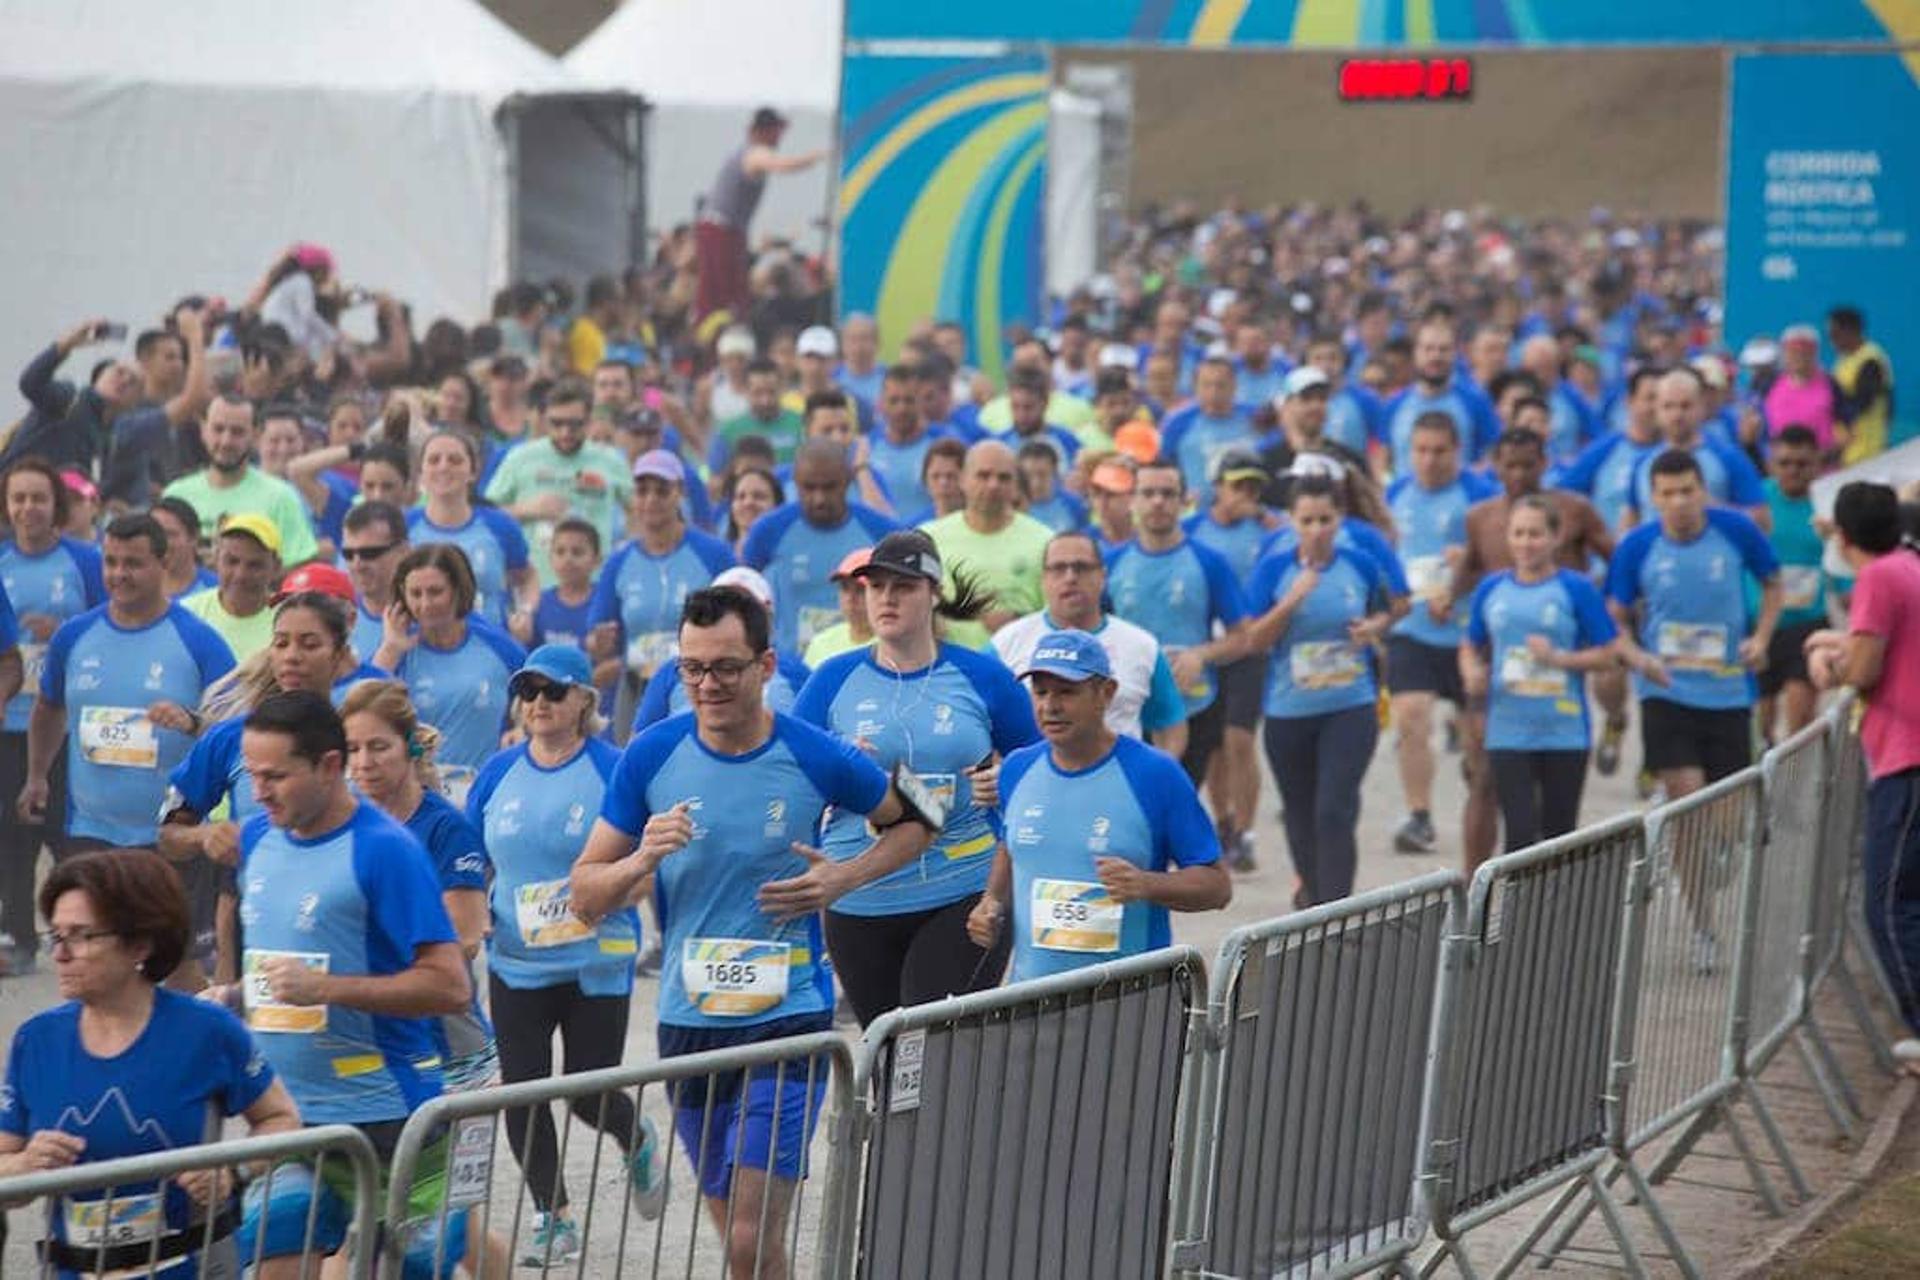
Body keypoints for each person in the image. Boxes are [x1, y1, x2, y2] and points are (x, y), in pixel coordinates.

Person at [570, 586, 942, 1279]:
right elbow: (584, 895)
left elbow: (921, 819)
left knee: (746, 1237)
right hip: (689, 1027)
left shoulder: (814, 753)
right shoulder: (650, 756)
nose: (707, 685)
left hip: (787, 1024)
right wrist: (641, 859)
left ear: (767, 664)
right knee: (752, 1252)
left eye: (726, 668)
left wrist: (846, 877)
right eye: (692, 668)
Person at [217, 691, 475, 1278]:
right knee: (270, 1264)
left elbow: (449, 985)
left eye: (276, 776)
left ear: (330, 766)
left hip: (389, 1116)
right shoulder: (258, 838)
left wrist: (328, 989)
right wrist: (232, 998)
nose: (260, 791)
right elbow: (281, 970)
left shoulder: (385, 850)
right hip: (288, 1114)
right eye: (253, 775)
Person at [0, 850, 300, 1278]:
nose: (60, 955)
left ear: (140, 944)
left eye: (81, 936)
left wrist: (233, 1171)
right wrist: (25, 1166)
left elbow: (281, 1119)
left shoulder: (206, 1029)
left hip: (190, 1266)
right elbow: (4, 1163)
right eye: (56, 936)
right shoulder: (37, 1040)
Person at [794, 531, 1039, 1026]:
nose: (886, 598)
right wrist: (836, 767)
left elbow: (1042, 767)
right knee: (886, 1057)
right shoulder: (831, 678)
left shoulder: (982, 676)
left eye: (902, 586)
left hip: (962, 893)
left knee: (930, 1047)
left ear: (933, 592)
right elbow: (790, 774)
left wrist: (1003, 776)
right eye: (875, 585)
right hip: (859, 897)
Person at [467, 647, 664, 1262]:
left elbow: (647, 864)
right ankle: (554, 1216)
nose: (540, 703)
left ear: (585, 699)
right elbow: (470, 862)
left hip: (594, 960)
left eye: (554, 691)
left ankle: (633, 1136)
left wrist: (613, 896)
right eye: (529, 692)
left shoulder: (615, 767)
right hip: (517, 961)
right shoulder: (498, 771)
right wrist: (474, 918)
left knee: (586, 1095)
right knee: (521, 1095)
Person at [965, 628, 1229, 980]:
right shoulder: (1017, 768)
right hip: (1031, 1001)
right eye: (1040, 692)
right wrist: (992, 902)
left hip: (1130, 1004)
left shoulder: (1153, 773)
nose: (1050, 706)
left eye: (1067, 692)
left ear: (1106, 693)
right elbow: (1011, 844)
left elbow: (1217, 887)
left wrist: (1147, 884)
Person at [1608, 452, 1782, 968]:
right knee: (1686, 805)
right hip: (1666, 692)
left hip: (1728, 692)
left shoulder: (1736, 531)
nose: (1679, 502)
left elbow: (1773, 584)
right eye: (1668, 493)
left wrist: (1761, 637)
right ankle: (1703, 929)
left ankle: (1719, 849)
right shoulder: (1637, 546)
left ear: (1703, 490)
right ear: (1653, 498)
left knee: (1723, 823)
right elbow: (1614, 615)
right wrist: (1636, 656)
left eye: (1688, 490)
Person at [160, 586, 383, 978]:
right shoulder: (230, 738)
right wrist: (203, 837)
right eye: (281, 643)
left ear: (339, 654)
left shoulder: (365, 734)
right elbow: (168, 835)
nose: (292, 656)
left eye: (309, 644)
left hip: (354, 919)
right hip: (256, 924)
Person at [24, 514, 235, 874]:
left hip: (169, 837)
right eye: (111, 562)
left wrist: (191, 722)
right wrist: (36, 775)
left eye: (133, 563)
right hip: (87, 832)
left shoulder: (199, 641)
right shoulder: (73, 637)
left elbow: (236, 729)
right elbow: (48, 707)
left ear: (163, 562)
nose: (119, 574)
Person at [1804, 482, 1920, 1061]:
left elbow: (1867, 667)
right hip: (1903, 755)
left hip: (1908, 759)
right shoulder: (1909, 564)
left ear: (1843, 537)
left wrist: (1831, 667)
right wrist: (1839, 642)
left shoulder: (1876, 576)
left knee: (1888, 902)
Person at [1243, 475, 1396, 907]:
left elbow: (1387, 611)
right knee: (1300, 810)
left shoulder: (1358, 564)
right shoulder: (1274, 568)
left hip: (1351, 704)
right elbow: (1254, 640)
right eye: (1307, 520)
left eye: (1325, 519)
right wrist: (1292, 600)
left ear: (1340, 518)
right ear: (1291, 520)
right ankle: (1312, 894)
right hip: (1289, 711)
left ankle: (1336, 908)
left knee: (1335, 807)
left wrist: (1373, 628)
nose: (1316, 529)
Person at [1461, 497, 1620, 852]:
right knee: (1518, 835)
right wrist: (1472, 672)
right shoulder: (1492, 589)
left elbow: (1609, 654)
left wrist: (1559, 658)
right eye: (1518, 533)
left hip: (1563, 731)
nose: (1525, 543)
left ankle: (1559, 907)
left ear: (1555, 537)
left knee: (1558, 836)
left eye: (1535, 534)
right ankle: (1519, 909)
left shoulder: (1576, 588)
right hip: (1508, 731)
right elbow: (1470, 644)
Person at [0, 459, 106, 968]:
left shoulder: (84, 561)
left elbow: (112, 624)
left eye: (38, 498)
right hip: (9, 722)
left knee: (68, 834)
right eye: (18, 498)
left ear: (56, 505)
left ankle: (85, 932)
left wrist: (59, 634)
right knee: (10, 835)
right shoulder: (1, 561)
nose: (28, 509)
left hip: (66, 723)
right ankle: (19, 935)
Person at [1382, 414, 1494, 855]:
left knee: (1477, 740)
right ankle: (1418, 814)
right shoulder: (1395, 494)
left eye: (1439, 451)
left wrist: (1468, 562)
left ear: (1457, 451)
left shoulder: (1479, 497)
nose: (1428, 460)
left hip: (1468, 633)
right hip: (1413, 629)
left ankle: (1480, 802)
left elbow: (1503, 560)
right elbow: (1383, 558)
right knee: (1410, 715)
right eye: (1420, 450)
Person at [1104, 462, 1248, 791]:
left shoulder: (1209, 562)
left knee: (1175, 801)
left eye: (1168, 494)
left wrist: (1200, 654)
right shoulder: (1111, 564)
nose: (1158, 502)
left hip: (1193, 705)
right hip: (1128, 709)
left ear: (1184, 502)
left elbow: (1242, 637)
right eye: (1149, 493)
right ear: (1133, 501)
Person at [993, 529, 1189, 751]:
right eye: (1058, 568)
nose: (1070, 577)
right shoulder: (1005, 643)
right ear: (1043, 579)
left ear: (1103, 576)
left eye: (1081, 567)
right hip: (1037, 781)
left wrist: (1160, 777)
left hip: (1118, 782)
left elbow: (1170, 724)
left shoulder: (1142, 646)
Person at [373, 544, 528, 802]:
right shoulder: (396, 651)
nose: (425, 604)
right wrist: (389, 650)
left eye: (435, 592)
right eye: (415, 593)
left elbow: (536, 693)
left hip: (485, 792)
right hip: (415, 798)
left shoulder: (496, 645)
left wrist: (523, 728)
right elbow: (360, 709)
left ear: (458, 590)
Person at [590, 449, 737, 696]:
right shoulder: (618, 562)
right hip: (636, 687)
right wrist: (599, 643)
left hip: (701, 687)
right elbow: (598, 639)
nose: (651, 500)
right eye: (642, 491)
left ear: (679, 492)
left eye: (661, 490)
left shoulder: (714, 554)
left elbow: (739, 621)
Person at [742, 440, 898, 655]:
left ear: (847, 481)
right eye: (809, 487)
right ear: (795, 482)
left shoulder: (879, 531)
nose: (819, 498)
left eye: (829, 487)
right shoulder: (769, 530)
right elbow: (743, 593)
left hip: (862, 660)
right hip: (793, 668)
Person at [485, 376, 634, 583]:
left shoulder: (610, 460)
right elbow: (485, 515)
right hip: (538, 586)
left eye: (575, 425)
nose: (565, 432)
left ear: (589, 420)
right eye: (557, 423)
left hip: (595, 585)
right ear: (545, 419)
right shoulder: (521, 457)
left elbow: (638, 511)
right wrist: (526, 509)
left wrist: (627, 553)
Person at [161, 392, 319, 567]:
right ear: (203, 430)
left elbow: (300, 567)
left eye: (237, 432)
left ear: (255, 435)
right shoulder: (176, 495)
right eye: (218, 429)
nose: (226, 441)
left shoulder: (280, 497)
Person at [696, 107, 825, 323]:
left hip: (730, 231)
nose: (780, 137)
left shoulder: (748, 153)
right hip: (721, 230)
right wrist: (811, 159)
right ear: (764, 131)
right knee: (723, 292)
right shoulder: (754, 153)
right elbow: (781, 165)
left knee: (730, 289)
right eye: (777, 131)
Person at [407, 429, 534, 629]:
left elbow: (526, 577)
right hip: (419, 644)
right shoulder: (403, 527)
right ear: (420, 473)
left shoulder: (499, 525)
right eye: (434, 460)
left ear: (473, 471)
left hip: (489, 644)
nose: (444, 467)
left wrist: (524, 612)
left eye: (455, 460)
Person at [922, 441, 1054, 633]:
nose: (993, 485)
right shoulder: (928, 539)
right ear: (962, 480)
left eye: (1004, 478)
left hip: (1018, 660)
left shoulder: (1045, 541)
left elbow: (1059, 616)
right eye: (983, 476)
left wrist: (1018, 621)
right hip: (950, 661)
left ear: (1017, 486)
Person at [1756, 426, 1829, 744]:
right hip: (1761, 627)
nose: (1793, 471)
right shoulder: (1758, 501)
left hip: (1807, 626)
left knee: (1798, 723)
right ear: (1772, 463)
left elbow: (1845, 564)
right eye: (1785, 463)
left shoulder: (1827, 505)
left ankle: (1793, 787)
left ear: (1817, 464)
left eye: (1802, 464)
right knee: (1762, 725)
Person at [1623, 368, 1768, 530]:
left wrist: (1711, 508)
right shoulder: (1642, 463)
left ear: (1701, 408)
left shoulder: (1728, 457)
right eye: (1668, 406)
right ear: (1657, 411)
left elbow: (1762, 521)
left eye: (1685, 406)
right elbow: (1630, 522)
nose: (1677, 415)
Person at [1380, 315, 1501, 477]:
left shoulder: (1476, 401)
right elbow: (1382, 459)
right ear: (1416, 354)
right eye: (1428, 349)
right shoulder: (1394, 405)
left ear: (1455, 354)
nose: (1436, 356)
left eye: (1443, 349)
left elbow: (1493, 454)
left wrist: (1471, 479)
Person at [1557, 365, 1667, 533]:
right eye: (1650, 398)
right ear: (1629, 402)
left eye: (1663, 400)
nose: (1656, 407)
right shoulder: (1603, 451)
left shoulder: (1678, 452)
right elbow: (1562, 497)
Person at [180, 514, 283, 661]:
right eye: (232, 561)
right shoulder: (188, 613)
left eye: (255, 565)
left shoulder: (289, 620)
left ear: (276, 567)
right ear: (215, 559)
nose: (240, 575)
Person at [1158, 356, 1254, 499]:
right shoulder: (1177, 422)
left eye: (1220, 385)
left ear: (1234, 386)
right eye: (1206, 385)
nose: (1213, 392)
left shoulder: (1254, 418)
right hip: (1195, 510)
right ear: (1195, 387)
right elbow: (1162, 463)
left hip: (1245, 508)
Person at [869, 364, 947, 523]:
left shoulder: (942, 443)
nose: (901, 408)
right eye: (894, 400)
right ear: (882, 403)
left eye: (908, 400)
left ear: (920, 401)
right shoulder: (867, 447)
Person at [340, 501, 410, 661]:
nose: (357, 565)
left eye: (369, 553)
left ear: (403, 552)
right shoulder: (336, 624)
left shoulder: (440, 618)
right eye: (348, 554)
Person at [712, 358, 807, 472]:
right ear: (746, 391)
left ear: (782, 388)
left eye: (771, 392)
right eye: (758, 393)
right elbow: (715, 480)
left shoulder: (801, 424)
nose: (765, 401)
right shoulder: (728, 431)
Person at [1828, 305, 1895, 464]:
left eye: (1834, 334)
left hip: (1867, 448)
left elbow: (1862, 403)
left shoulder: (1870, 360)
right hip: (1847, 448)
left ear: (1851, 331)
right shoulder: (1843, 360)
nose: (1831, 340)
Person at [1763, 326, 1837, 455]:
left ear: (1814, 354)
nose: (1799, 358)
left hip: (1824, 467)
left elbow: (1845, 430)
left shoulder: (1831, 384)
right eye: (1793, 352)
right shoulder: (1771, 384)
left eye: (1804, 353)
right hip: (1784, 467)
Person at [802, 547, 875, 666]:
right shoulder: (820, 644)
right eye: (845, 588)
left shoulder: (893, 646)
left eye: (861, 589)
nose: (851, 598)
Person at [149, 497, 216, 600]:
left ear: (194, 537)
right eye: (154, 534)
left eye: (170, 534)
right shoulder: (132, 590)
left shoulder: (216, 590)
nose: (161, 542)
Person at [723, 463, 783, 557]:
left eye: (758, 496)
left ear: (777, 505)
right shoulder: (720, 555)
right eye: (741, 497)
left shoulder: (787, 555)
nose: (748, 503)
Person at [919, 437, 968, 522]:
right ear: (925, 480)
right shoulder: (916, 529)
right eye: (935, 476)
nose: (943, 483)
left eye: (951, 476)